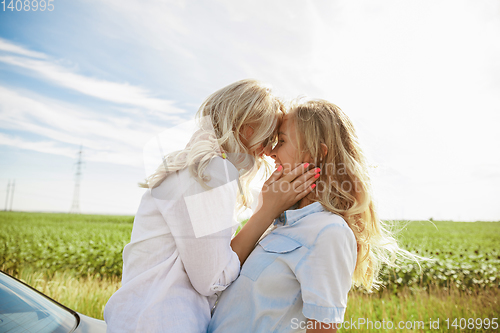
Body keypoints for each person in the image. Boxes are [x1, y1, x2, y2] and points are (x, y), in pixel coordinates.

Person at [103, 79, 320, 333]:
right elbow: (212, 279)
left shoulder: (191, 166)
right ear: (248, 127)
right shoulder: (211, 170)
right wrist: (267, 212)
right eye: (269, 137)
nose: (266, 152)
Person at [208, 99, 416, 333]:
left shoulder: (329, 232)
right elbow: (217, 275)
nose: (271, 153)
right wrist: (265, 210)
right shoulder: (280, 223)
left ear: (317, 153)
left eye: (282, 141)